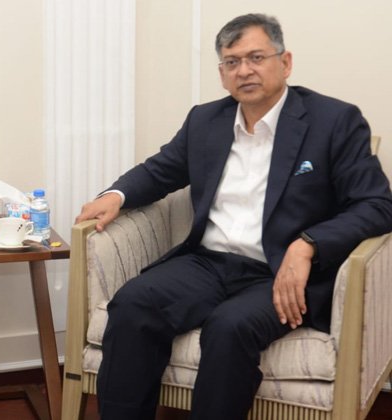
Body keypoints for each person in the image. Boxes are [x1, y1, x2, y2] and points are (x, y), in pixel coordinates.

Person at [75, 13, 392, 420]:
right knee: (134, 304)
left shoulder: (334, 121)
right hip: (208, 262)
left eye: (256, 57)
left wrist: (307, 245)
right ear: (222, 74)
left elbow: (377, 204)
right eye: (232, 61)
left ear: (285, 62)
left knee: (229, 328)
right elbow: (161, 170)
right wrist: (116, 195)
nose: (244, 70)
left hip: (278, 271)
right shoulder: (205, 120)